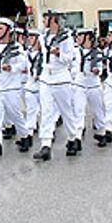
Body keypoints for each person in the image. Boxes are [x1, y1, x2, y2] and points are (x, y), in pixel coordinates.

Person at [0, 17, 30, 157]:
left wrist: (11, 67)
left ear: (9, 31)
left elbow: (24, 65)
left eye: (0, 29)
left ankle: (25, 135)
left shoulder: (17, 48)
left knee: (15, 114)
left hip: (11, 88)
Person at [33, 9, 75, 160]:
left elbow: (70, 58)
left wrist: (59, 54)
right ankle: (46, 145)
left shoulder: (66, 37)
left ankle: (72, 138)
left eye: (46, 18)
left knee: (66, 111)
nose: (43, 21)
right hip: (46, 76)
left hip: (61, 76)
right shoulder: (43, 36)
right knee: (46, 111)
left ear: (53, 20)